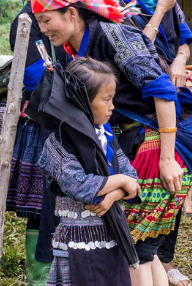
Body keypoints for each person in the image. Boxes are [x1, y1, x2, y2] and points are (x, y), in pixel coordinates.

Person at [27, 0, 192, 286]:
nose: (43, 29)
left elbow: (162, 89)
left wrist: (167, 158)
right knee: (144, 249)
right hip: (127, 147)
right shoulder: (74, 47)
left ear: (71, 14)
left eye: (47, 20)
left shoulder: (111, 34)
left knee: (131, 249)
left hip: (151, 145)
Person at [99, 0, 192, 286]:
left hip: (167, 103)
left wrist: (180, 61)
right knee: (139, 226)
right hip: (134, 109)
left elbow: (183, 42)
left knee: (149, 230)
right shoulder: (113, 5)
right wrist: (157, 14)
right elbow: (134, 52)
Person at [5, 0, 76, 285]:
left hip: (79, 118)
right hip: (45, 120)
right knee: (43, 203)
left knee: (73, 199)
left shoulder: (77, 12)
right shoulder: (28, 18)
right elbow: (34, 74)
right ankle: (41, 277)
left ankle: (70, 269)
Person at [36, 57, 141, 286]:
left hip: (112, 239)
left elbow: (133, 182)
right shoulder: (58, 143)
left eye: (112, 98)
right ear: (81, 101)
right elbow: (81, 186)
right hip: (76, 247)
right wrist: (120, 180)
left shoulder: (106, 135)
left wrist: (112, 195)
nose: (112, 106)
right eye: (106, 99)